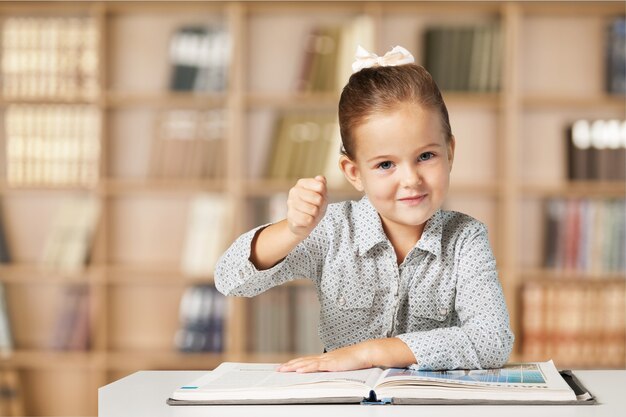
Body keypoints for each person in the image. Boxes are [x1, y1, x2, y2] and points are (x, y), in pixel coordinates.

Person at [215, 45, 514, 373]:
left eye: (426, 156)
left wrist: (370, 353)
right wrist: (291, 230)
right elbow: (229, 280)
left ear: (449, 152)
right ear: (354, 173)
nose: (411, 179)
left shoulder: (465, 239)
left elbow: (493, 341)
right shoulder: (332, 229)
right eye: (386, 164)